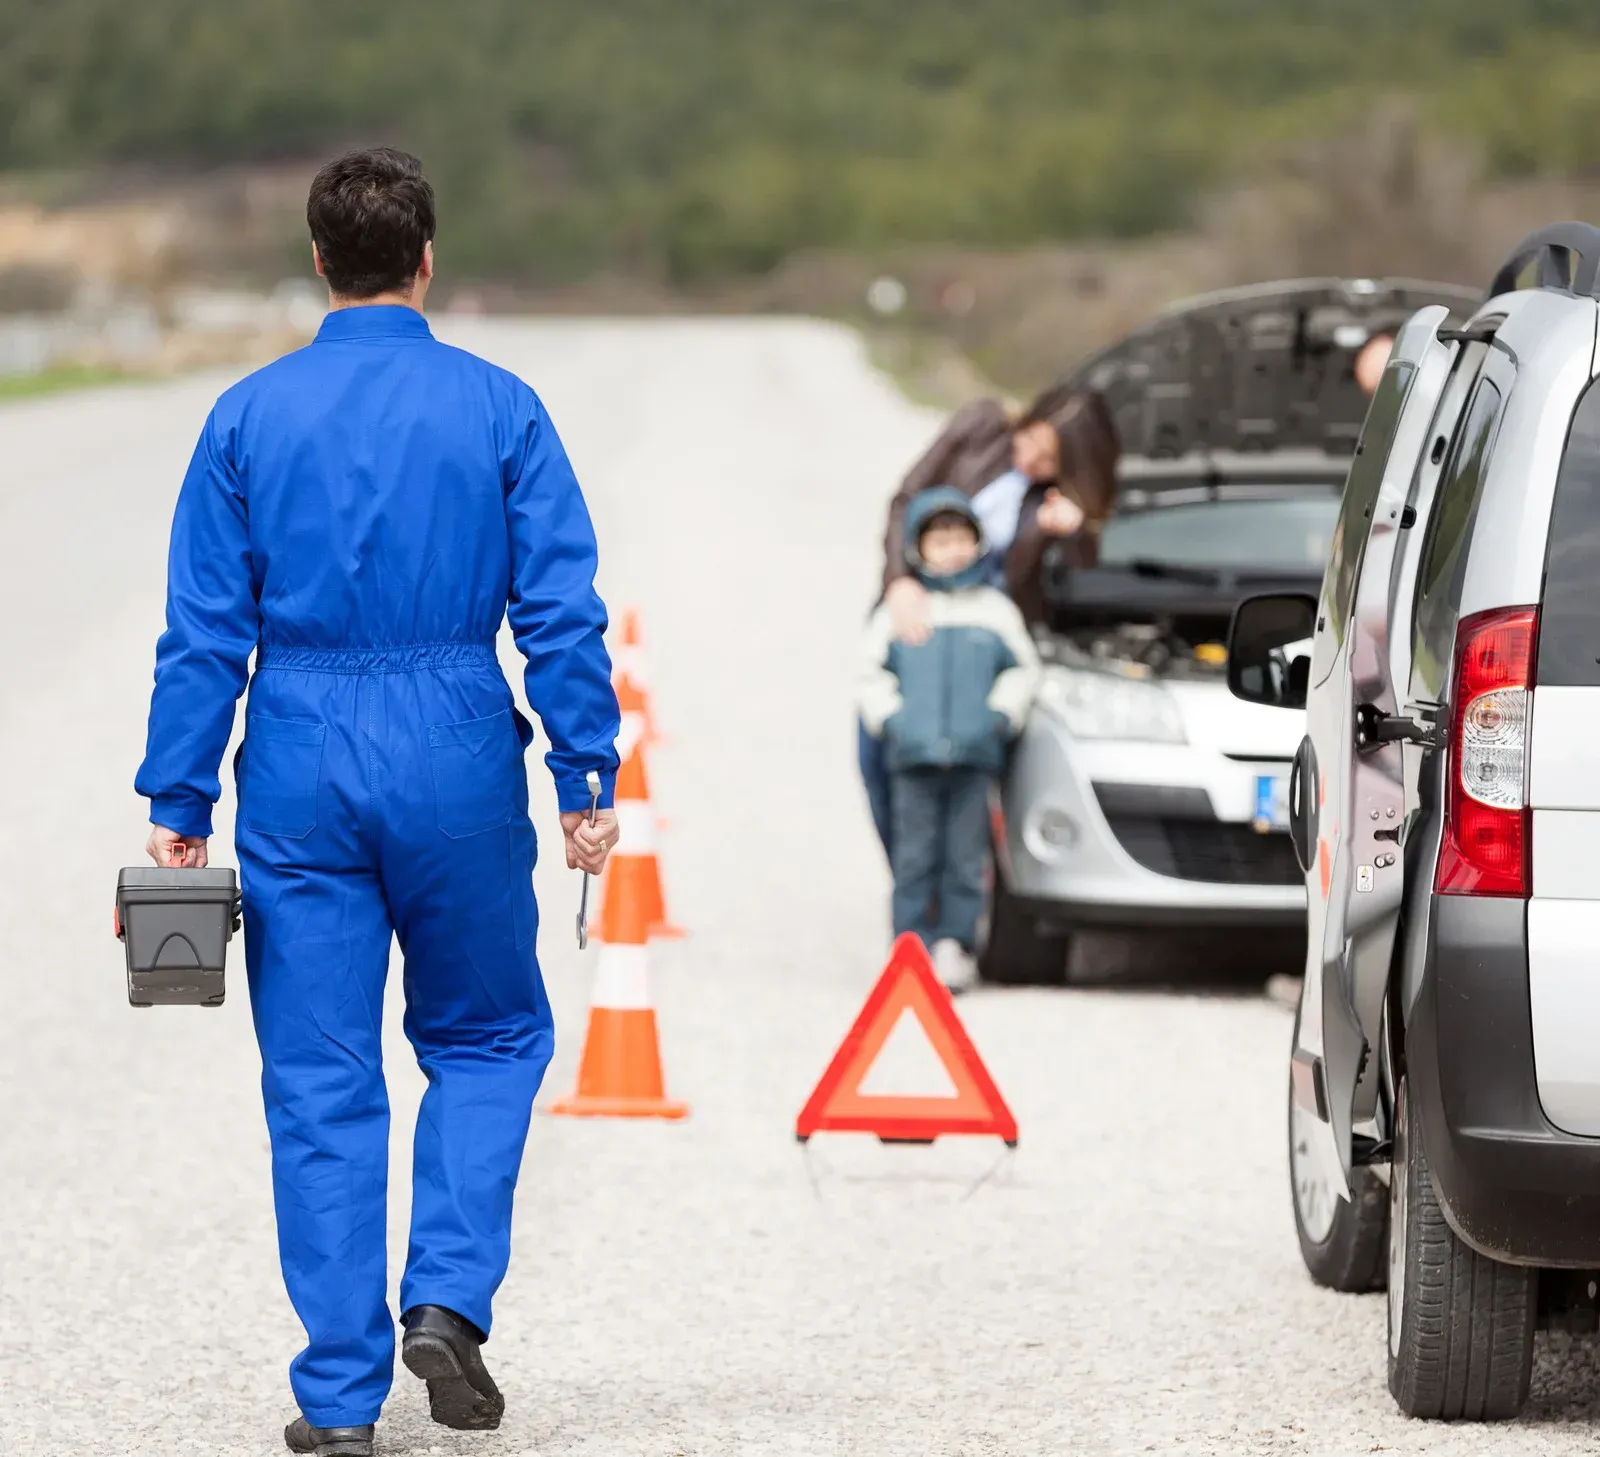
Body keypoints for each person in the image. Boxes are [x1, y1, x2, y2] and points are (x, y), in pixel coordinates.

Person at [132, 149, 621, 1457]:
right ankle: (449, 1301)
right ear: (426, 258)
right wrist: (585, 776)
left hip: (299, 754)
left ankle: (341, 1403)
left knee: (320, 1078)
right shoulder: (502, 406)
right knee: (485, 1037)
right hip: (455, 740)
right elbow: (563, 609)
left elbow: (200, 631)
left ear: (315, 262)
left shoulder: (244, 416)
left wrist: (179, 793)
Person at [858, 387, 1117, 857]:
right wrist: (899, 580)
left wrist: (1075, 533)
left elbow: (1080, 589)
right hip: (912, 620)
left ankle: (953, 913)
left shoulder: (1059, 503)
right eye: (1030, 441)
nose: (1030, 459)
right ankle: (917, 899)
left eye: (1048, 458)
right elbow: (907, 497)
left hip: (981, 651)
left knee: (964, 795)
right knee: (879, 765)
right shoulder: (981, 425)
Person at [858, 488, 1041, 993]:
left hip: (973, 758)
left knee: (966, 856)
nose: (952, 550)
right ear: (920, 549)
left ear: (978, 543)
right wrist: (893, 721)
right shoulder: (902, 610)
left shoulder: (994, 610)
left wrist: (999, 717)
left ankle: (955, 946)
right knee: (914, 856)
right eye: (940, 541)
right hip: (912, 759)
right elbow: (871, 673)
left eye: (961, 539)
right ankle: (909, 947)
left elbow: (1022, 670)